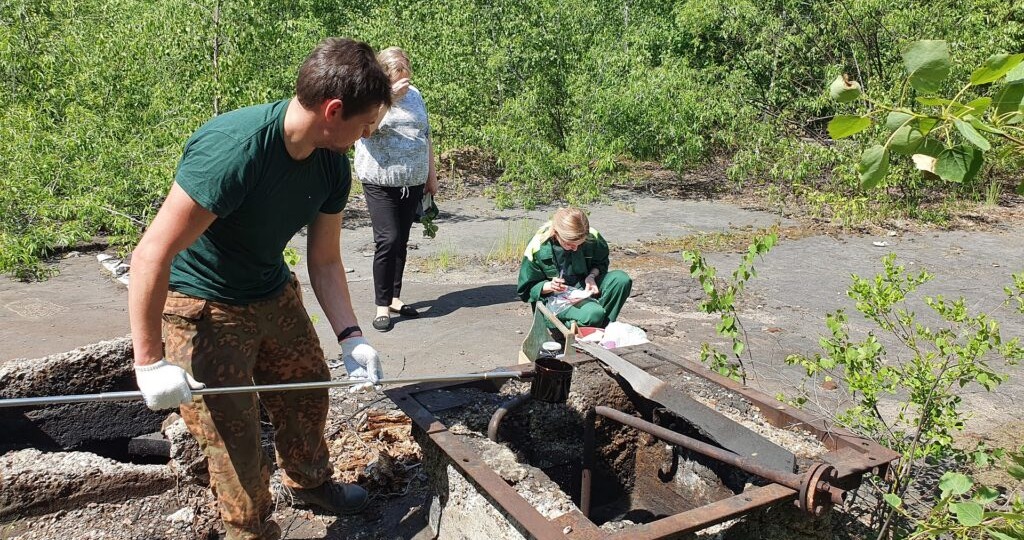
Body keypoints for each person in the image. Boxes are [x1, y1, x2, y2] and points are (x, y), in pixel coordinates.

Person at [128, 38, 391, 540]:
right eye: (365, 126)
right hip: (202, 304)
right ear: (333, 111)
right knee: (237, 444)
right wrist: (149, 362)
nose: (367, 136)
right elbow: (150, 255)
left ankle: (310, 482)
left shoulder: (330, 160)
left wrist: (351, 335)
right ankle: (249, 530)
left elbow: (326, 259)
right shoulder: (235, 151)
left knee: (309, 390)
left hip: (270, 289)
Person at [354, 46, 438, 332]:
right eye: (396, 73)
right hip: (380, 180)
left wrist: (431, 175)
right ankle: (381, 306)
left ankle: (394, 298)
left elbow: (425, 134)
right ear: (384, 74)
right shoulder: (370, 95)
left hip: (412, 179)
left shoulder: (415, 95)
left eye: (405, 71)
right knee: (387, 240)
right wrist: (389, 99)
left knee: (401, 239)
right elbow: (367, 130)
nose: (403, 79)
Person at [517, 207, 633, 330]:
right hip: (555, 299)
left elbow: (600, 263)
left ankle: (599, 326)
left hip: (584, 288)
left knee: (621, 279)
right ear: (556, 234)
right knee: (594, 313)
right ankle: (565, 328)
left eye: (580, 244)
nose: (575, 249)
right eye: (569, 244)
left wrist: (592, 276)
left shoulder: (592, 236)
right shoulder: (538, 245)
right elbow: (527, 289)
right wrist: (550, 286)